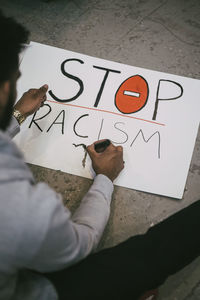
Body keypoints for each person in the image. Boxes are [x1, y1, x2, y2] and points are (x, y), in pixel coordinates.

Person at [0, 10, 200, 300]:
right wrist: (104, 178)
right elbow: (77, 245)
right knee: (143, 258)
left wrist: (15, 114)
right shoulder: (19, 207)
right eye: (14, 77)